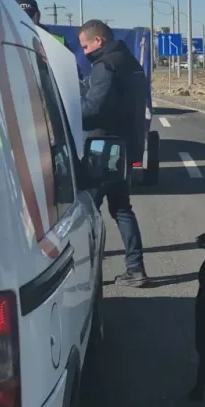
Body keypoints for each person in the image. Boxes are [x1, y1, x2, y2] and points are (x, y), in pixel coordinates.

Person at [79, 19, 150, 287]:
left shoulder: (105, 65)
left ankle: (81, 273)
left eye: (85, 46)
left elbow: (94, 108)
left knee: (85, 210)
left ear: (99, 41)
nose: (84, 52)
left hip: (102, 148)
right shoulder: (131, 64)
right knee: (121, 208)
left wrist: (69, 111)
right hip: (124, 146)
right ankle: (135, 268)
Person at [15, 0, 85, 83]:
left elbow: (74, 75)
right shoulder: (3, 40)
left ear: (38, 15)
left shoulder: (56, 40)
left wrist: (51, 60)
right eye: (18, 15)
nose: (24, 20)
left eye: (28, 16)